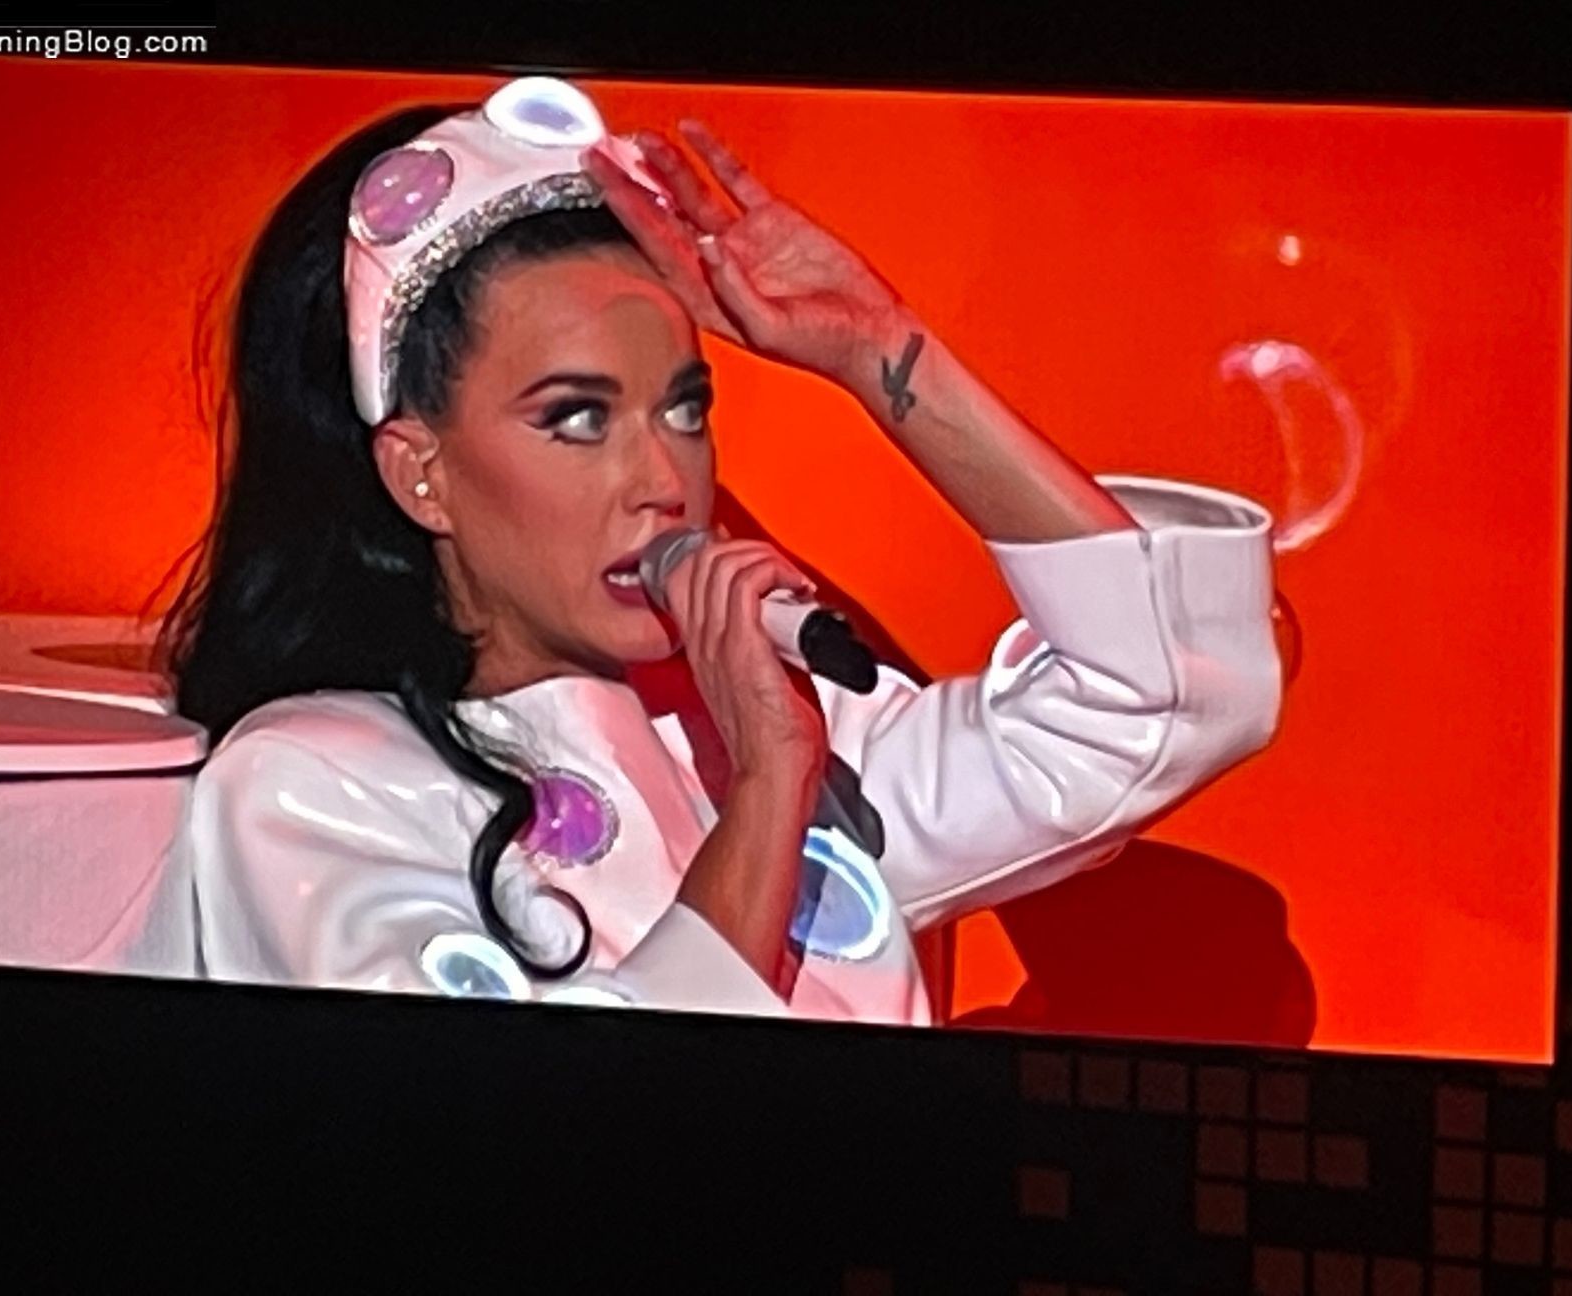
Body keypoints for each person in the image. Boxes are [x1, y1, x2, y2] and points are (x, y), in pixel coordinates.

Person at [167, 76, 1283, 1024]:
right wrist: (763, 800)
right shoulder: (312, 784)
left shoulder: (745, 729)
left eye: (685, 409)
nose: (664, 480)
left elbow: (1161, 696)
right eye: (576, 417)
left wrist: (879, 351)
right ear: (423, 473)